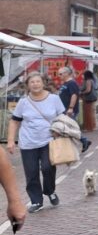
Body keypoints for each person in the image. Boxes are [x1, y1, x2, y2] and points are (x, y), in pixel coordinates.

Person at [6, 71, 65, 213]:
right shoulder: (23, 102)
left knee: (47, 168)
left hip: (48, 140)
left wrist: (61, 132)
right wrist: (10, 141)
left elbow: (62, 118)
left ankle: (50, 191)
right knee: (31, 173)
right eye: (32, 82)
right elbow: (14, 121)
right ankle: (36, 201)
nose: (35, 84)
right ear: (28, 85)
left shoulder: (54, 99)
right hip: (28, 142)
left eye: (38, 81)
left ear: (43, 83)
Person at [57, 66, 90, 152]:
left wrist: (71, 108)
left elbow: (74, 95)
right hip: (63, 110)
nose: (59, 76)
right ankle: (83, 140)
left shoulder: (71, 83)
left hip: (69, 110)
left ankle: (83, 141)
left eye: (60, 74)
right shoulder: (65, 83)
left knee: (69, 128)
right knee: (68, 128)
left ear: (67, 74)